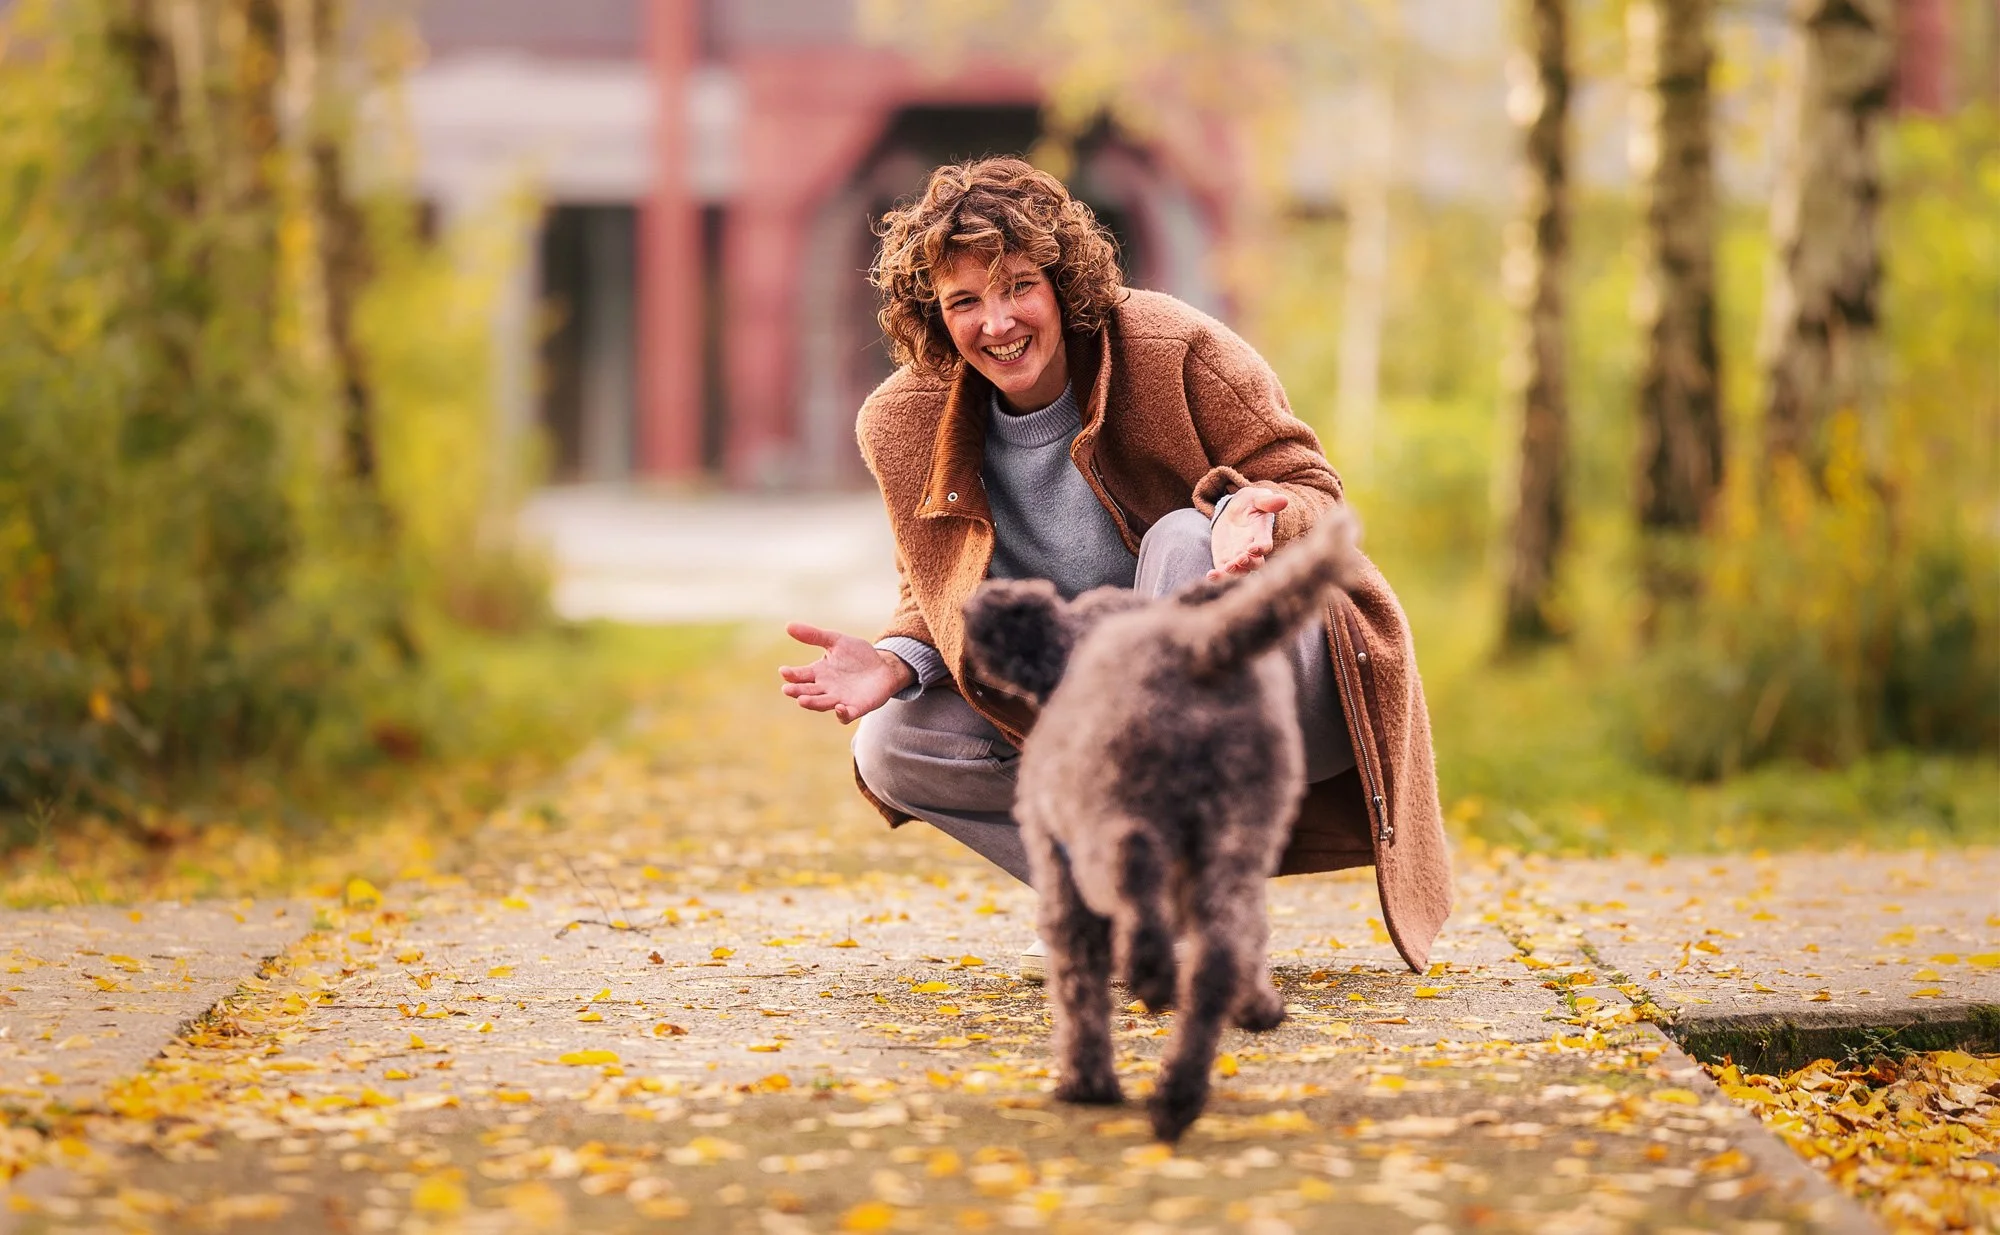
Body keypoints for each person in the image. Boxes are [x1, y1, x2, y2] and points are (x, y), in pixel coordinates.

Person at [779, 157, 1453, 980]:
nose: (997, 322)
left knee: (1180, 537)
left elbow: (1313, 489)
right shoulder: (903, 421)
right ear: (935, 315)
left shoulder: (1174, 349)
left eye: (1017, 285)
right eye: (964, 301)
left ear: (1062, 283)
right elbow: (934, 587)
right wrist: (896, 660)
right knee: (889, 746)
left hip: (1274, 678)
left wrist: (1247, 509)